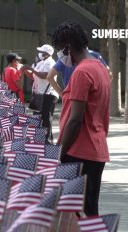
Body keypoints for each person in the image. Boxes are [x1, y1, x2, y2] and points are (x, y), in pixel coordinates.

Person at [52, 21, 111, 216]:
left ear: (68, 47)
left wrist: (59, 155)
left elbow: (75, 120)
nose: (60, 55)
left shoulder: (82, 72)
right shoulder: (100, 67)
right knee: (89, 210)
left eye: (60, 50)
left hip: (79, 152)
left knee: (76, 214)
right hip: (95, 149)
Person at [22, 44, 59, 143]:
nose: (40, 54)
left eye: (42, 52)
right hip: (39, 94)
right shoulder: (40, 63)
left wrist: (32, 69)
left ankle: (47, 140)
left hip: (48, 94)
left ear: (47, 54)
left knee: (46, 118)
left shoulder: (51, 63)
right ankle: (40, 139)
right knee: (37, 117)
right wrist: (25, 70)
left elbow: (46, 76)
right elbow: (33, 76)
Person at [46, 48, 111, 97]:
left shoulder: (64, 57)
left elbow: (49, 76)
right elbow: (109, 75)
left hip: (71, 96)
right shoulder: (95, 55)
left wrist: (62, 94)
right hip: (90, 96)